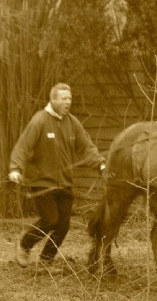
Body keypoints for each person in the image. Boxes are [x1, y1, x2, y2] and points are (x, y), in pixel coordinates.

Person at [8, 82, 106, 267]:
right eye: (63, 99)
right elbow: (23, 147)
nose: (68, 102)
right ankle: (24, 244)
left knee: (63, 226)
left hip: (65, 184)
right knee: (50, 220)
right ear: (53, 100)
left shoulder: (72, 122)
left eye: (69, 98)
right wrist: (15, 169)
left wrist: (100, 164)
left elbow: (87, 148)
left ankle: (46, 261)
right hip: (43, 183)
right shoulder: (40, 121)